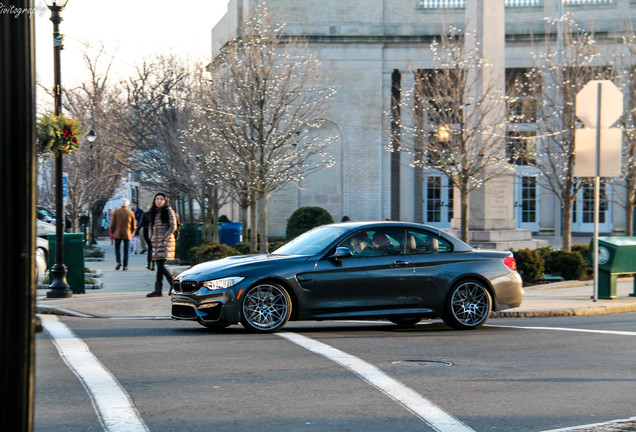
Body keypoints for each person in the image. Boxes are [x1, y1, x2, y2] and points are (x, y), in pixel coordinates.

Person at [147, 192, 177, 297]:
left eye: (161, 199)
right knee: (159, 265)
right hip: (156, 242)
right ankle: (170, 285)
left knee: (160, 266)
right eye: (157, 199)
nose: (159, 201)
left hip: (166, 242)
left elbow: (173, 226)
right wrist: (151, 237)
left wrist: (164, 237)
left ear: (164, 201)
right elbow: (150, 226)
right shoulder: (153, 212)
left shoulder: (169, 211)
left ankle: (160, 289)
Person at [110, 198, 136, 271]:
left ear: (121, 204)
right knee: (126, 250)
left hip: (117, 233)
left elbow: (112, 224)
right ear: (128, 205)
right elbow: (133, 225)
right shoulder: (130, 213)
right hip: (127, 233)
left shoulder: (116, 212)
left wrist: (113, 231)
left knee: (117, 248)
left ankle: (118, 262)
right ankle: (125, 266)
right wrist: (131, 232)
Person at [134, 204, 154, 271]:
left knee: (149, 247)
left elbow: (140, 224)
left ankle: (149, 264)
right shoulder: (156, 214)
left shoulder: (145, 214)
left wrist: (136, 232)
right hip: (154, 231)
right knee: (153, 248)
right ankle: (153, 264)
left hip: (146, 231)